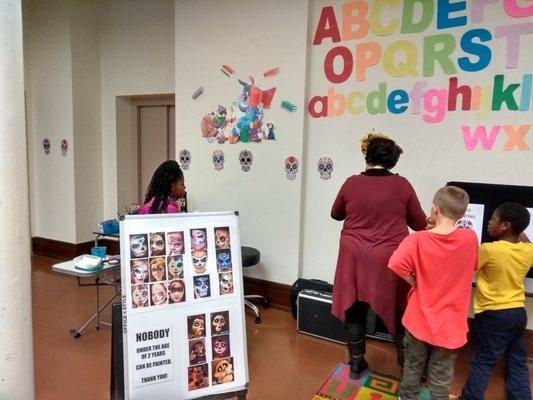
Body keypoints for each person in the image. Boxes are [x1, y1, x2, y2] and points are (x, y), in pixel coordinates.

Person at [330, 132, 428, 378]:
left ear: (367, 155)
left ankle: (355, 363)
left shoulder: (351, 182)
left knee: (354, 305)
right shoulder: (402, 184)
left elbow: (336, 213)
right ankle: (406, 368)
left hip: (353, 254)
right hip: (389, 255)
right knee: (399, 307)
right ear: (393, 161)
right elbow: (418, 224)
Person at [388, 186, 478, 400]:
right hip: (450, 325)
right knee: (441, 376)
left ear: (434, 209)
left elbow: (395, 263)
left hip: (418, 320)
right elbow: (473, 266)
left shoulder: (417, 240)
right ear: (462, 213)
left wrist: (415, 281)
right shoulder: (470, 238)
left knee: (413, 367)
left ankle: (407, 397)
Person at [459, 203, 533, 400]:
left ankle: (470, 397)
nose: (488, 223)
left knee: (483, 360)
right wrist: (519, 229)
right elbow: (524, 241)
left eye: (493, 219)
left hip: (493, 314)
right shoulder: (528, 250)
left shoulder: (489, 249)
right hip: (518, 313)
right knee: (517, 358)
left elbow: (468, 267)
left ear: (505, 225)